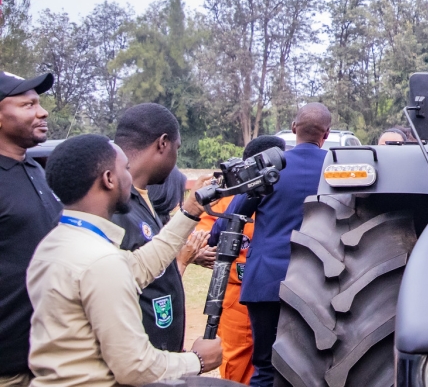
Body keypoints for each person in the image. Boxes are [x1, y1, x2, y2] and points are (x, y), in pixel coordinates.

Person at [27, 134, 223, 386]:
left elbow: (139, 266)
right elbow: (136, 368)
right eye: (126, 170)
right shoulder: (100, 261)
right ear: (109, 179)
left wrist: (190, 211)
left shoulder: (58, 243)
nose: (130, 178)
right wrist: (197, 360)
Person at [217, 103, 331, 387]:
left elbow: (229, 221)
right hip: (321, 284)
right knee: (316, 369)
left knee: (265, 368)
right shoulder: (338, 169)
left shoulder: (269, 168)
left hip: (265, 283)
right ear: (326, 135)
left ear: (293, 129)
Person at [194, 135, 283, 385]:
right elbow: (201, 234)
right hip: (238, 296)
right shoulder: (230, 197)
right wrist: (199, 252)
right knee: (239, 368)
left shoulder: (285, 193)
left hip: (277, 294)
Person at [111, 104, 201, 351]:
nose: (176, 158)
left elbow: (150, 259)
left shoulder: (143, 197)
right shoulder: (116, 207)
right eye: (177, 148)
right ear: (163, 143)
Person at [0, 72, 58, 387]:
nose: (42, 111)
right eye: (27, 105)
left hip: (45, 361)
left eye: (39, 103)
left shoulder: (36, 170)